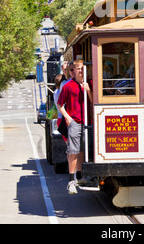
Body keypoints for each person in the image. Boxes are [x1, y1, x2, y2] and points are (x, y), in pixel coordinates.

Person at [57, 59, 93, 194]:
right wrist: (67, 117)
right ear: (73, 70)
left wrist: (88, 91)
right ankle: (71, 181)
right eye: (77, 68)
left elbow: (93, 102)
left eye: (82, 68)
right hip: (75, 122)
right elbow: (60, 104)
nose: (79, 71)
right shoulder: (68, 86)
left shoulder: (89, 83)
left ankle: (80, 177)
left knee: (82, 150)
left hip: (87, 122)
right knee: (73, 151)